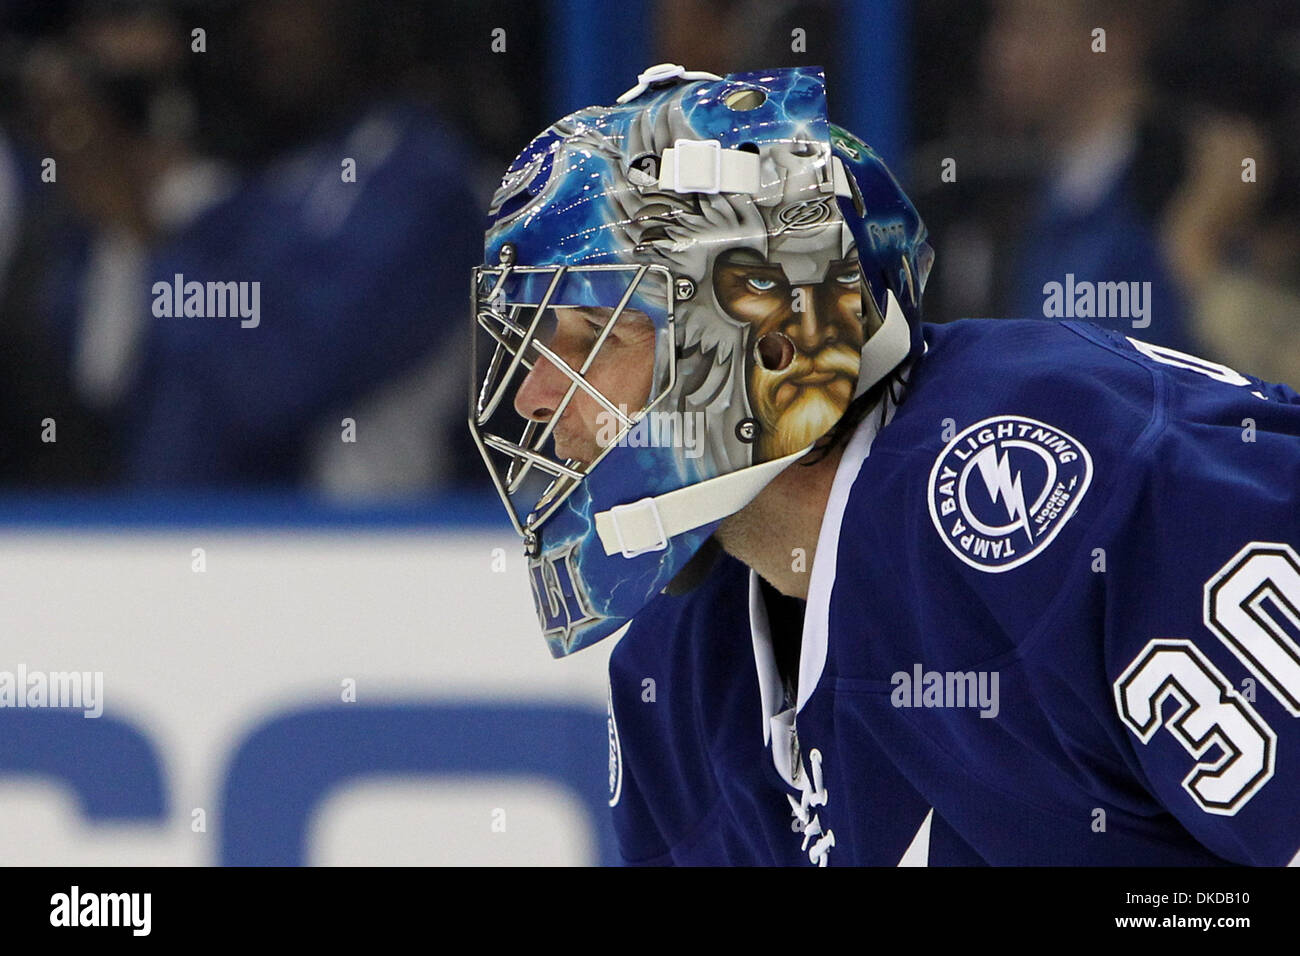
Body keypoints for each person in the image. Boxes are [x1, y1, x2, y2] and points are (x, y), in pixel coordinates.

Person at [469, 65, 1300, 865]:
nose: (537, 394)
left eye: (593, 336)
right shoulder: (674, 682)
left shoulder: (1042, 485)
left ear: (769, 337)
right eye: (537, 347)